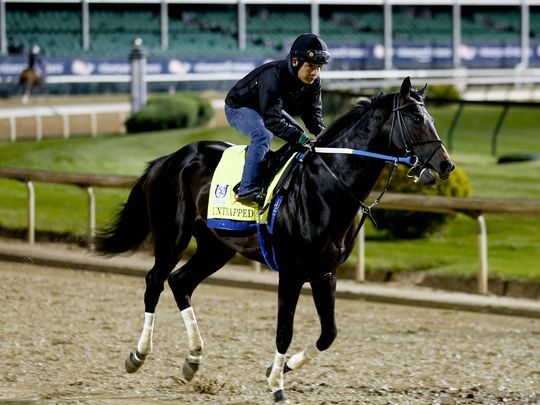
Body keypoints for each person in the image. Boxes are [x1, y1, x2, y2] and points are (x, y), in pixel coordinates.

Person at [224, 33, 330, 206]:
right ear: (295, 62)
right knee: (263, 135)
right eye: (310, 66)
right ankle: (246, 189)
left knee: (299, 136)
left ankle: (269, 171)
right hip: (238, 107)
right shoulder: (273, 76)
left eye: (319, 67)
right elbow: (272, 122)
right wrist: (300, 137)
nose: (315, 73)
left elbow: (312, 115)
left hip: (266, 107)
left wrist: (323, 135)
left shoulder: (314, 80)